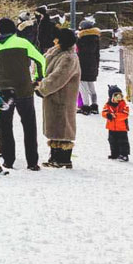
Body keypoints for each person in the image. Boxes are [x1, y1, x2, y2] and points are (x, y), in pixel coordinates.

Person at [0, 18, 48, 172]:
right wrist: (38, 78)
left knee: (5, 126)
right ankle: (32, 162)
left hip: (4, 91)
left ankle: (9, 160)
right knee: (29, 126)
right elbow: (41, 60)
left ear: (1, 31)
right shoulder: (23, 43)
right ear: (14, 30)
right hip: (24, 89)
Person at [36, 27, 81, 169]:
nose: (54, 40)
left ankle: (63, 159)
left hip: (63, 97)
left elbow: (58, 77)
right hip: (53, 96)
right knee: (55, 126)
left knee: (63, 127)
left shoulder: (68, 58)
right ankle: (54, 156)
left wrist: (43, 88)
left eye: (56, 38)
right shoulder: (56, 53)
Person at [76, 17, 102, 114]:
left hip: (82, 65)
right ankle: (94, 106)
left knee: (82, 87)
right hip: (93, 65)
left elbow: (78, 53)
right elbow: (97, 54)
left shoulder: (81, 39)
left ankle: (85, 106)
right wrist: (96, 66)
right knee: (91, 86)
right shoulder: (96, 39)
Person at [102, 85, 130, 161]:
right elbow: (104, 112)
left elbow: (125, 114)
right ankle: (114, 153)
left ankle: (124, 155)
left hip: (121, 128)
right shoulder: (108, 105)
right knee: (112, 141)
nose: (119, 98)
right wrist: (108, 115)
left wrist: (115, 116)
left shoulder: (124, 105)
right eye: (116, 96)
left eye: (120, 96)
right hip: (111, 128)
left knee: (122, 141)